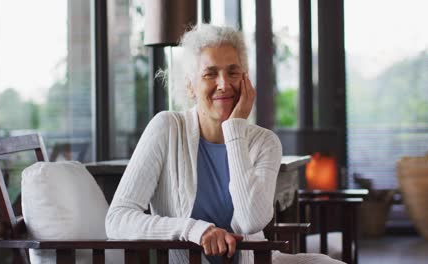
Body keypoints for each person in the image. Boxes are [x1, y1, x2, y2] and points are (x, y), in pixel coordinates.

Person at [106, 24, 343, 264]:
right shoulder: (166, 128)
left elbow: (251, 220)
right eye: (210, 73)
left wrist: (235, 128)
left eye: (233, 72)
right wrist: (194, 230)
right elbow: (117, 219)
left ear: (245, 79)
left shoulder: (265, 142)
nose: (224, 84)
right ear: (190, 85)